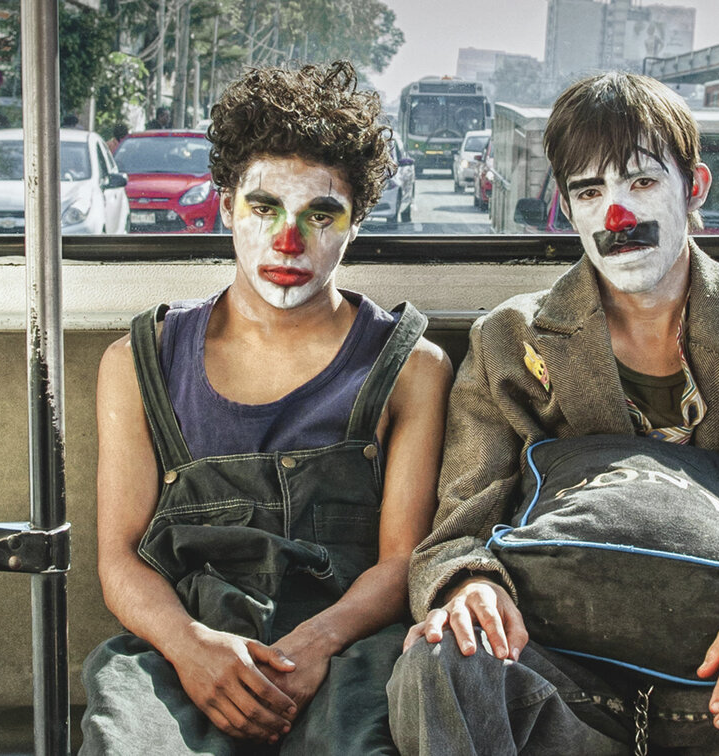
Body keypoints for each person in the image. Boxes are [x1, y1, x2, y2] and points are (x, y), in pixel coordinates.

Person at [388, 71, 719, 755]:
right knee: (441, 660)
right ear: (568, 208)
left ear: (695, 188)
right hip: (561, 674)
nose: (616, 214)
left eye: (641, 182)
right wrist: (470, 586)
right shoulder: (508, 341)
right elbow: (458, 527)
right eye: (590, 192)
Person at [81, 60, 453, 755]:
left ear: (356, 222)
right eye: (264, 208)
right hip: (179, 647)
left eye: (320, 214)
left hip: (347, 650)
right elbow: (120, 561)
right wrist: (190, 648)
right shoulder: (137, 362)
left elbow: (401, 560)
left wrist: (316, 643)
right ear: (226, 205)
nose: (288, 240)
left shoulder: (412, 369)